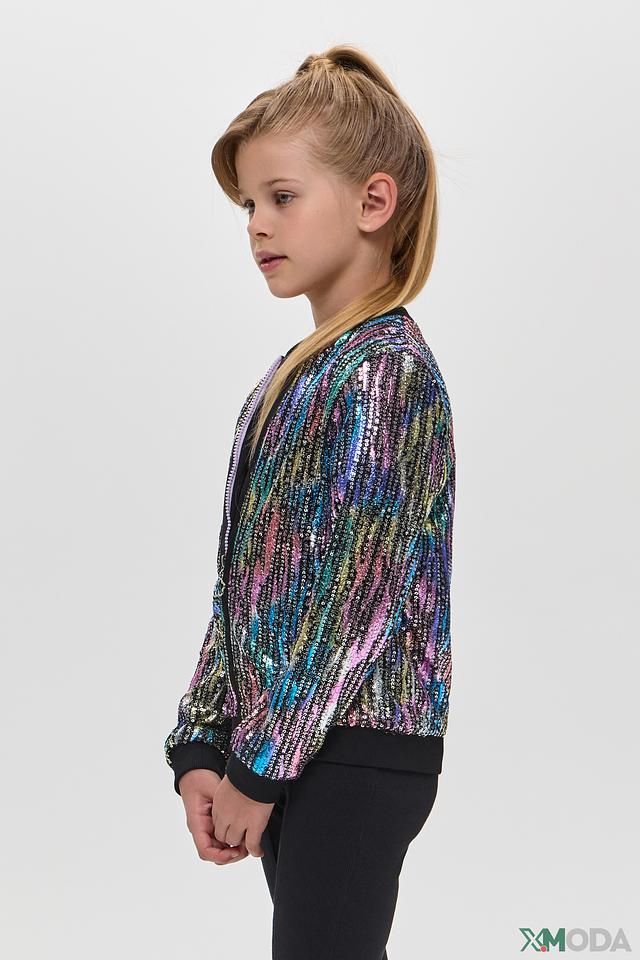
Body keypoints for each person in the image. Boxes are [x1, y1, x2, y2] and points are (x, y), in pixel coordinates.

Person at [164, 43, 456, 960]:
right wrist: (203, 740)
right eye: (248, 205)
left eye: (281, 197)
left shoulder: (386, 375)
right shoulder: (296, 377)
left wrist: (259, 764)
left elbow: (352, 601)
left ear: (374, 202)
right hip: (294, 743)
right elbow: (247, 583)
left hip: (355, 749)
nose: (256, 224)